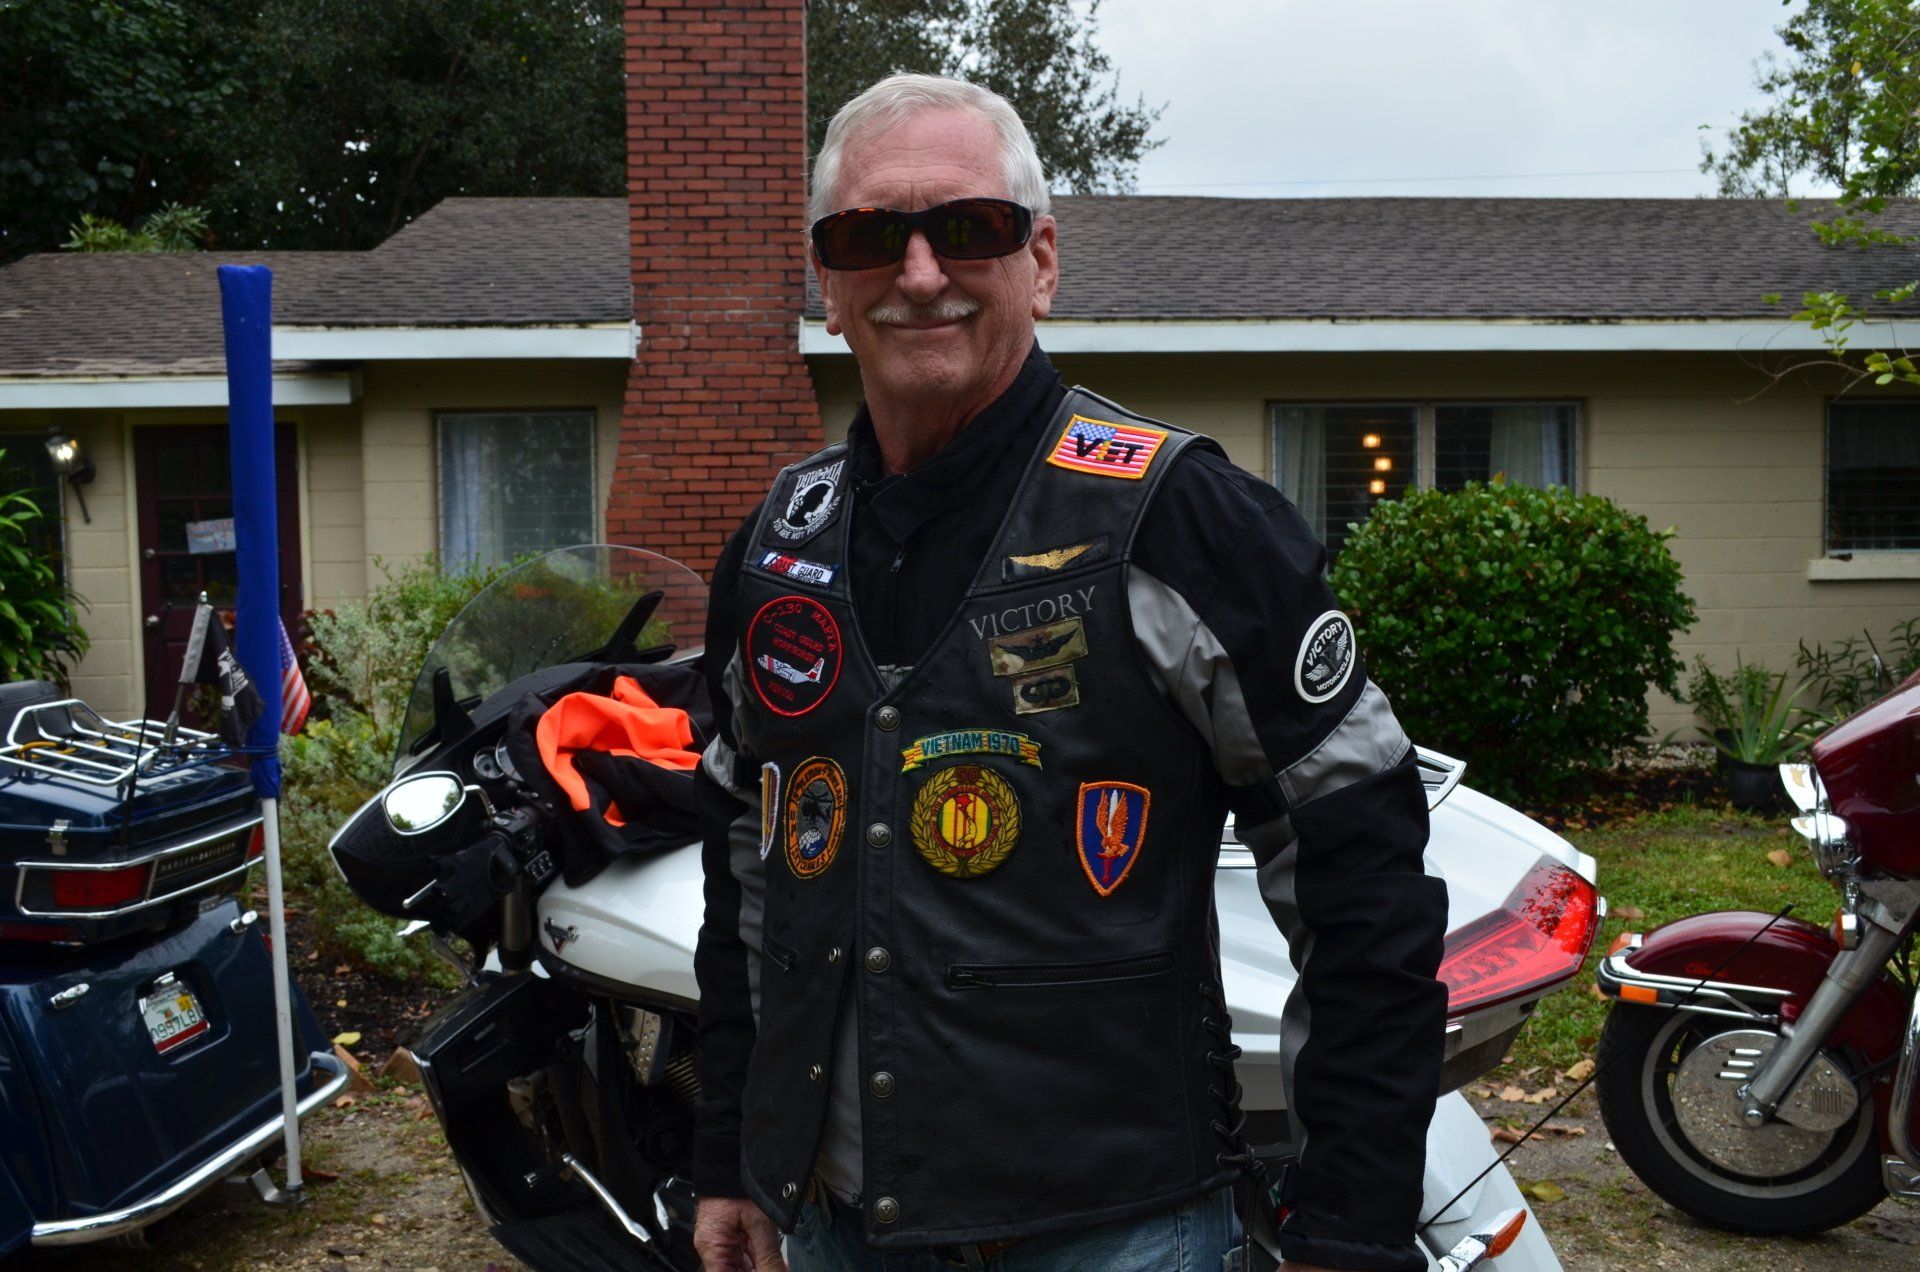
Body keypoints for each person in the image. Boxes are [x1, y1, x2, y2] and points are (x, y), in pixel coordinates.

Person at [690, 73, 1447, 1272]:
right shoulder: (782, 545)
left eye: (969, 227)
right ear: (827, 283)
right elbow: (748, 862)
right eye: (869, 237)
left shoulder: (1185, 523)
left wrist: (1350, 1226)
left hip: (1116, 1235)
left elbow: (1366, 876)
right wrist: (732, 1155)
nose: (920, 273)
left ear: (1040, 261)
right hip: (831, 1227)